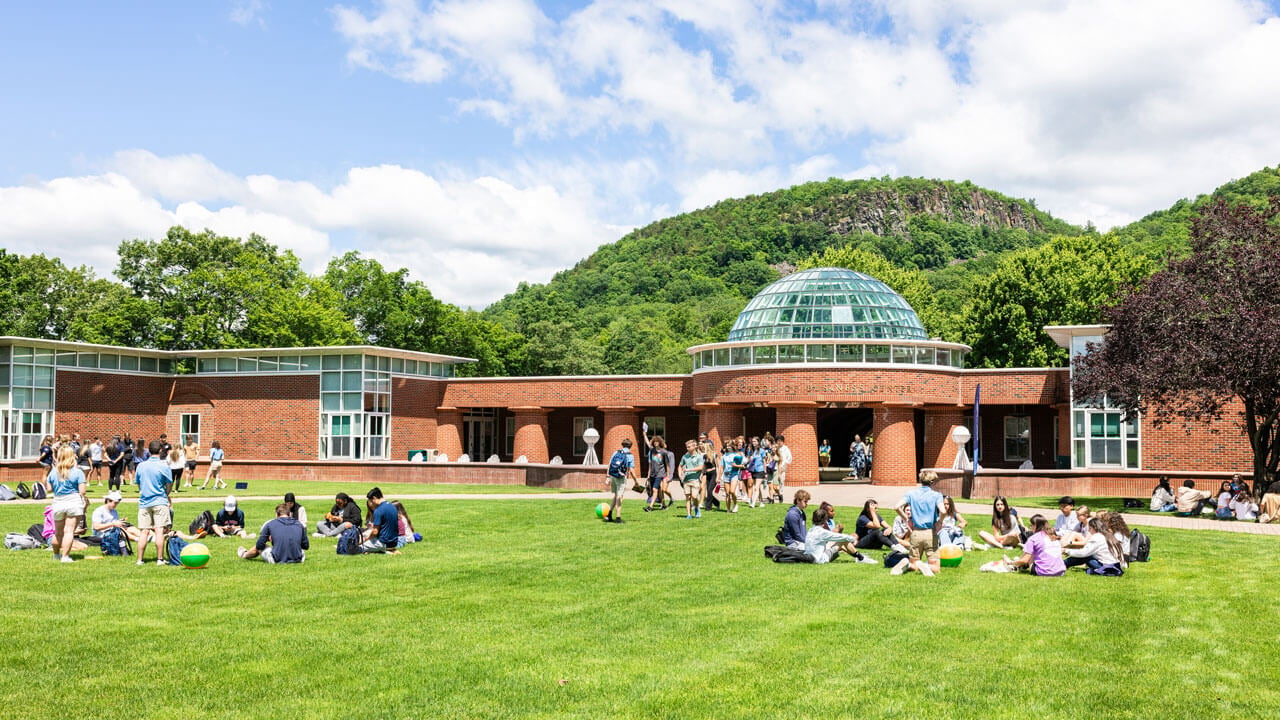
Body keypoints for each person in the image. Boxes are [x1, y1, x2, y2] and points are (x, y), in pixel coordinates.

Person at [893, 470, 946, 576]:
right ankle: (926, 566)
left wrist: (906, 519)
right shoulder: (936, 495)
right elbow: (943, 511)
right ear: (932, 482)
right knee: (935, 567)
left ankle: (907, 565)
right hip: (930, 533)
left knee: (914, 563)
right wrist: (940, 522)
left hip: (915, 533)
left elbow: (896, 507)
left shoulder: (911, 494)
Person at [134, 439, 173, 565]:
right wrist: (166, 494)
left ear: (148, 450)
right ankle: (159, 559)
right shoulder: (164, 466)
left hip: (144, 502)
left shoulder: (141, 465)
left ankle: (140, 559)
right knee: (159, 530)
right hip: (160, 500)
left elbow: (138, 484)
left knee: (143, 532)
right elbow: (169, 484)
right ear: (161, 450)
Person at [48, 446, 88, 563]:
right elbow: (82, 491)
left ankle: (56, 555)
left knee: (58, 532)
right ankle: (65, 557)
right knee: (69, 531)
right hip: (73, 500)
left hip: (58, 501)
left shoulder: (53, 472)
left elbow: (49, 489)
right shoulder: (77, 472)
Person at [239, 503, 309, 564]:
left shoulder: (270, 524)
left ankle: (244, 554)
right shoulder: (299, 524)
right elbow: (306, 546)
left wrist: (272, 539)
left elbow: (259, 545)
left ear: (276, 514)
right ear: (290, 514)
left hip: (277, 560)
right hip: (298, 559)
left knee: (261, 547)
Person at [804, 506, 872, 564]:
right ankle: (861, 558)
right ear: (824, 520)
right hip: (820, 559)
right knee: (843, 540)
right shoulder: (822, 532)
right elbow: (840, 537)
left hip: (811, 556)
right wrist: (853, 538)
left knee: (841, 541)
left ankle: (858, 556)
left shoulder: (810, 530)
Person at [603, 438, 636, 524]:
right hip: (621, 477)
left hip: (613, 475)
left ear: (622, 445)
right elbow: (631, 470)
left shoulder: (616, 452)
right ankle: (618, 518)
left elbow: (610, 465)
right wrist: (636, 482)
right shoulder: (630, 455)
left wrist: (607, 476)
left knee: (616, 495)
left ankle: (609, 515)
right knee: (620, 496)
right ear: (630, 446)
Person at [361, 487, 401, 553]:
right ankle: (388, 551)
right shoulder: (392, 506)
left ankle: (385, 551)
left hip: (382, 543)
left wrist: (366, 539)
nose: (370, 504)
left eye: (370, 501)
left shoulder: (378, 510)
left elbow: (375, 532)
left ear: (374, 498)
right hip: (394, 542)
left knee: (356, 548)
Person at [643, 435, 675, 513]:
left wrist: (668, 475)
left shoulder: (664, 452)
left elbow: (667, 464)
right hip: (653, 474)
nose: (655, 443)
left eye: (657, 442)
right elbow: (650, 464)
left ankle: (650, 507)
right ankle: (664, 505)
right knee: (660, 490)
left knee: (655, 489)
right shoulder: (652, 451)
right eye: (654, 442)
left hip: (660, 474)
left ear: (660, 442)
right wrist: (648, 475)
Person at [678, 439, 704, 519]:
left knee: (695, 496)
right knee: (688, 498)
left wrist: (688, 470)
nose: (687, 448)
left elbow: (700, 467)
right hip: (686, 480)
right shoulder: (685, 457)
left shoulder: (699, 457)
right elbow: (680, 466)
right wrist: (679, 474)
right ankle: (689, 515)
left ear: (694, 447)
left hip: (695, 480)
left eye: (689, 447)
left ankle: (696, 508)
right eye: (687, 447)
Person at [699, 434, 721, 512]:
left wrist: (718, 477)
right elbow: (704, 466)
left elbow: (719, 466)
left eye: (704, 447)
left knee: (709, 490)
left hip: (714, 474)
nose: (702, 448)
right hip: (707, 474)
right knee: (708, 490)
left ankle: (708, 507)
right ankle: (716, 503)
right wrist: (702, 474)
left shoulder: (714, 455)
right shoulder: (705, 456)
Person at [773, 434, 791, 503]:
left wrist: (784, 464)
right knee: (774, 481)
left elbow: (789, 458)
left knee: (781, 481)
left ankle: (781, 494)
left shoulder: (785, 449)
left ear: (783, 441)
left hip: (782, 467)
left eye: (780, 441)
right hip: (775, 467)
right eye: (778, 441)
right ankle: (776, 493)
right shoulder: (775, 448)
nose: (779, 442)